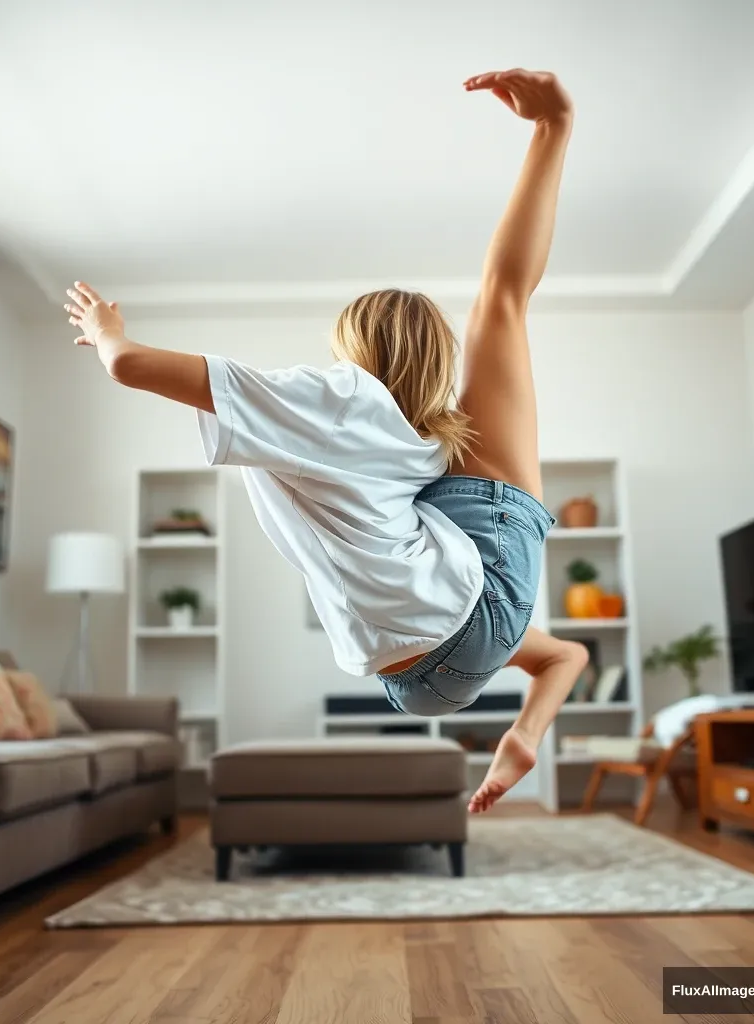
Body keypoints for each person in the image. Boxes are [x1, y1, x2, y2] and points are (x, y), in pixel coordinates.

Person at [64, 68, 588, 813]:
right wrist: (548, 123)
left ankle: (527, 727)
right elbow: (506, 287)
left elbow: (127, 365)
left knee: (560, 647)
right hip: (457, 636)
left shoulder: (338, 397)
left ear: (352, 349)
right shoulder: (391, 438)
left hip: (414, 685)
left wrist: (104, 329)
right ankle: (555, 130)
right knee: (501, 308)